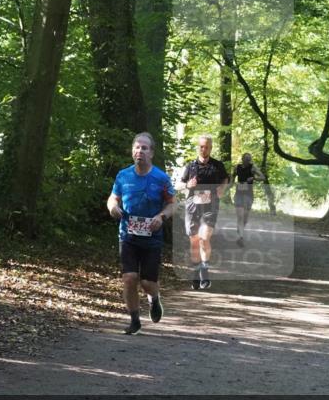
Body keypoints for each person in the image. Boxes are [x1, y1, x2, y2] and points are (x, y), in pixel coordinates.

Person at [107, 132, 175, 335]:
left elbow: (172, 204)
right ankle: (134, 320)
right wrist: (113, 207)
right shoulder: (123, 175)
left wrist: (161, 217)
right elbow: (113, 198)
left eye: (144, 148)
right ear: (132, 151)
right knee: (129, 278)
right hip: (128, 235)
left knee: (147, 282)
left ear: (151, 153)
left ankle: (154, 299)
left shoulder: (161, 178)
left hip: (152, 238)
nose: (140, 151)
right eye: (137, 147)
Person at [180, 134, 230, 290]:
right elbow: (178, 185)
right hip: (192, 207)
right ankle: (196, 273)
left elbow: (226, 178)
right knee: (194, 241)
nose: (204, 149)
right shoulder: (190, 166)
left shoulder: (217, 165)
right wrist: (188, 185)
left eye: (207, 147)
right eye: (202, 146)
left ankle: (204, 273)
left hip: (210, 206)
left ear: (211, 148)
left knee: (204, 238)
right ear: (198, 147)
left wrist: (222, 188)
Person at [232, 152, 265, 247]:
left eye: (249, 159)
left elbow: (263, 177)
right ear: (242, 159)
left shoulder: (253, 167)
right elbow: (232, 179)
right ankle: (241, 237)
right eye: (246, 159)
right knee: (240, 216)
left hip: (248, 195)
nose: (248, 160)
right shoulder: (236, 167)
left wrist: (253, 178)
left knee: (245, 218)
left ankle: (240, 229)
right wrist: (229, 186)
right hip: (239, 193)